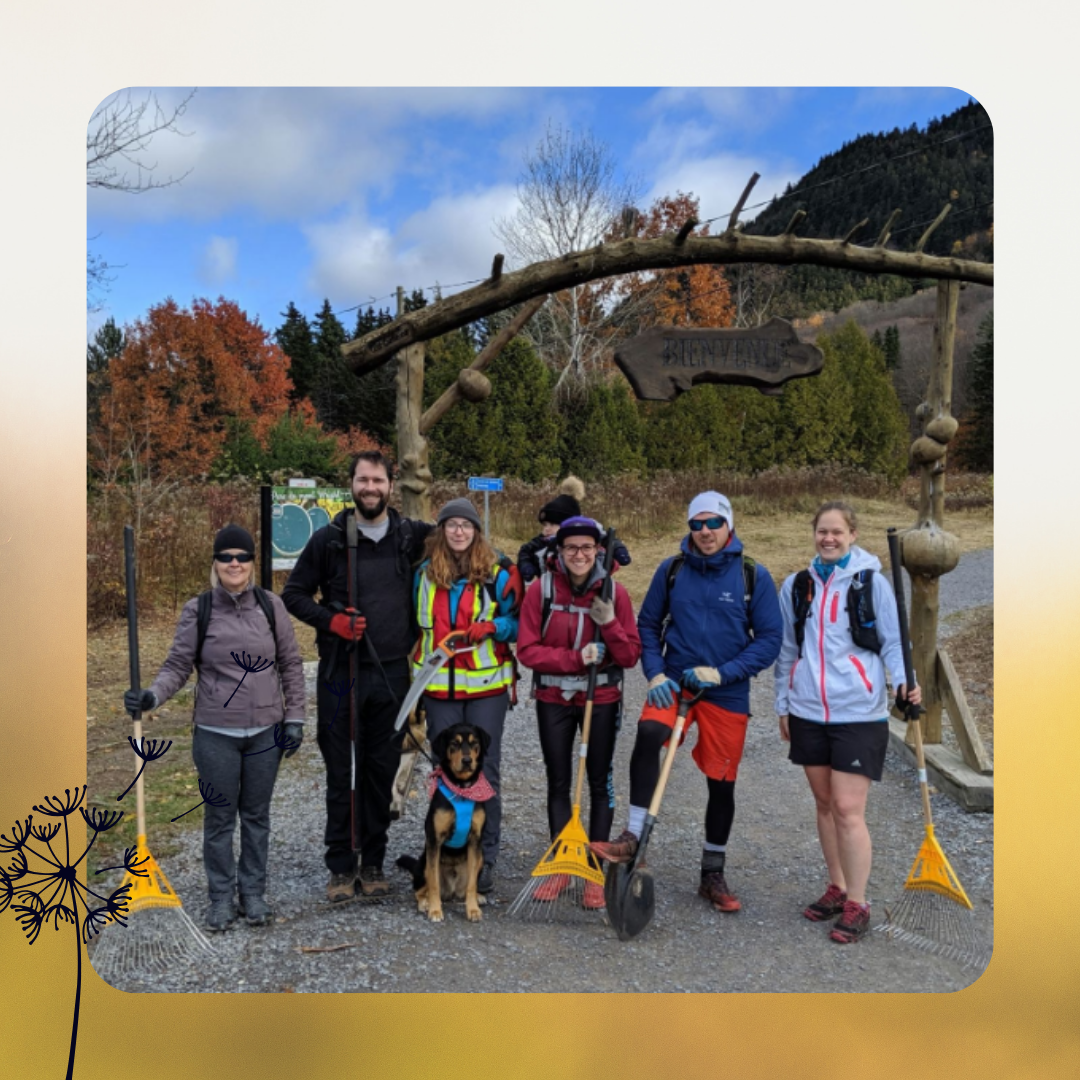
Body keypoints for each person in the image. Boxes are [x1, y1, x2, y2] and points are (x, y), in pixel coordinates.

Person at [590, 491, 783, 915]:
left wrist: (723, 672)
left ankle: (712, 871)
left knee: (721, 779)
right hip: (674, 682)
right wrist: (656, 673)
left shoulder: (753, 575)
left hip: (725, 690)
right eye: (696, 524)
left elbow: (769, 641)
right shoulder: (672, 570)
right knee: (648, 735)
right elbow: (647, 623)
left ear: (728, 524)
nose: (705, 532)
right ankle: (633, 838)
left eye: (713, 523)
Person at [123, 525, 306, 932]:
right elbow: (177, 665)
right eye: (226, 557)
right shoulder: (199, 609)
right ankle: (221, 898)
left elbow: (291, 665)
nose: (234, 563)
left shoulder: (271, 606)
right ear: (215, 563)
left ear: (253, 563)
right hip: (215, 733)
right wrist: (152, 696)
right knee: (220, 819)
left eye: (242, 556)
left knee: (256, 817)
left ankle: (253, 894)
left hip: (265, 733)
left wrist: (294, 718)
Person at [281, 451, 434, 902]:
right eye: (363, 480)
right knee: (342, 771)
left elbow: (466, 540)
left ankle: (373, 861)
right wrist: (331, 621)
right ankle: (341, 867)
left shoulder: (410, 536)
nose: (371, 488)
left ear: (391, 485)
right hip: (339, 673)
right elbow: (293, 594)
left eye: (379, 480)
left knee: (379, 771)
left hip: (392, 675)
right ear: (351, 483)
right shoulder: (328, 539)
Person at [774, 500, 921, 944]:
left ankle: (858, 902)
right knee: (823, 805)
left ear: (853, 535)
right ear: (814, 534)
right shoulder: (797, 586)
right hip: (807, 711)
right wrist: (783, 704)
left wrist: (903, 683)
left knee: (848, 809)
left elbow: (895, 642)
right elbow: (787, 651)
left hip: (858, 712)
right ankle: (836, 887)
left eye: (837, 532)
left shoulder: (871, 583)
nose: (829, 538)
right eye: (822, 531)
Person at [516, 516, 641, 908]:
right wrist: (576, 658)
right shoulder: (542, 590)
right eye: (572, 548)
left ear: (598, 550)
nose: (580, 555)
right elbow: (527, 650)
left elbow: (630, 655)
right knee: (559, 782)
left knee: (598, 783)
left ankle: (592, 869)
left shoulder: (613, 594)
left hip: (600, 699)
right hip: (554, 698)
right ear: (560, 551)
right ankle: (561, 864)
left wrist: (610, 625)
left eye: (587, 547)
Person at [410, 498, 520, 895]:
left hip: (487, 687)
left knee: (485, 772)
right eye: (451, 524)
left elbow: (519, 623)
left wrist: (491, 627)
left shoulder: (498, 574)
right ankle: (446, 847)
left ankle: (483, 859)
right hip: (440, 689)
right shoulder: (423, 574)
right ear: (441, 531)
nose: (458, 531)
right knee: (445, 771)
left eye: (466, 525)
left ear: (476, 530)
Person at [516, 475, 631, 583]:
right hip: (550, 591)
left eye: (552, 524)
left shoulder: (588, 535)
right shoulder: (542, 541)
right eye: (544, 525)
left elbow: (607, 540)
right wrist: (525, 565)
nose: (546, 529)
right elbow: (525, 551)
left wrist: (617, 549)